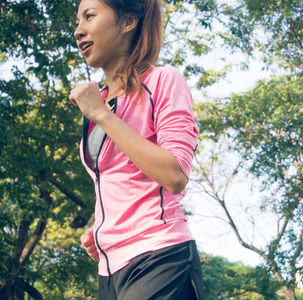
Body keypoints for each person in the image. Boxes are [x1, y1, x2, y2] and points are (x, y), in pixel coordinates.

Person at [69, 0, 204, 299]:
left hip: (158, 254)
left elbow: (175, 173)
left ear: (128, 22)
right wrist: (105, 226)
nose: (78, 30)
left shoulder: (163, 81)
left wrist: (102, 115)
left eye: (89, 17)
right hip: (110, 268)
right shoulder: (99, 100)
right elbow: (119, 178)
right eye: (77, 21)